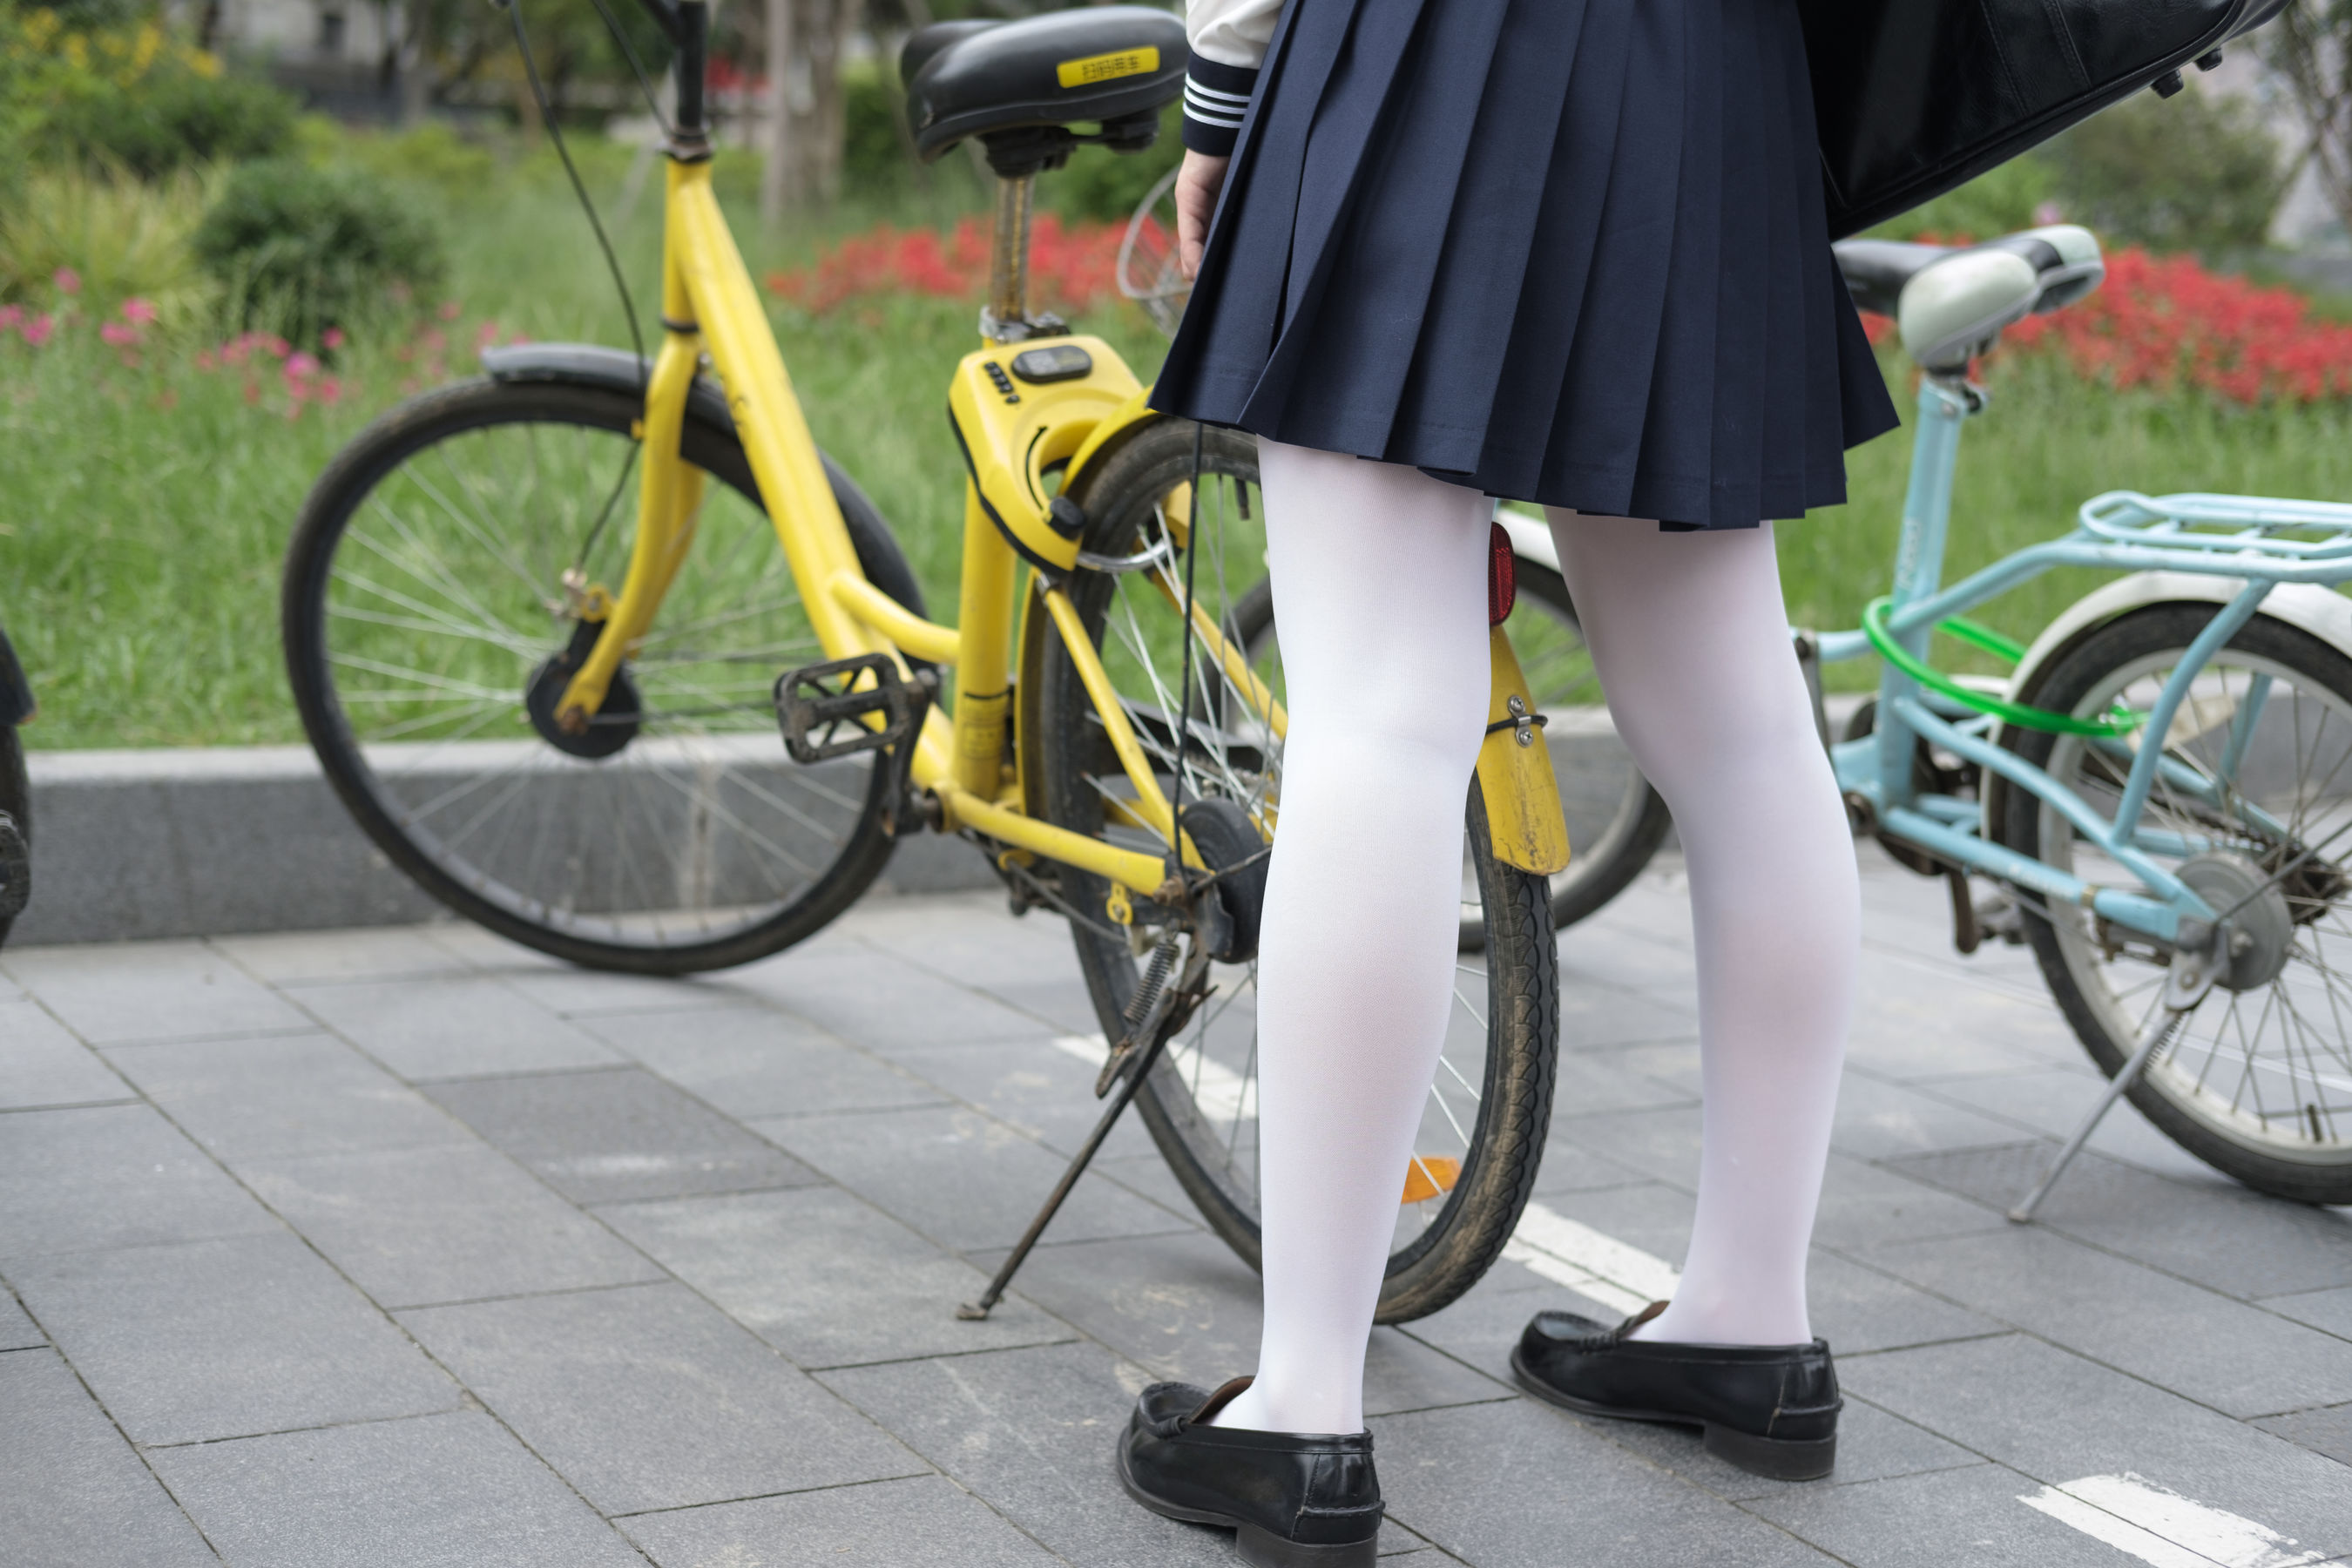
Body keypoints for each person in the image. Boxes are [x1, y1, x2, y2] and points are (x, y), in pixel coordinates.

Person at [1111, 0, 1901, 1563]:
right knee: (1744, 731)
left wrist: (1221, 93)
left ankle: (1303, 1414)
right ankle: (1750, 1320)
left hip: (1428, 56)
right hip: (1712, 81)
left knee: (1380, 723)